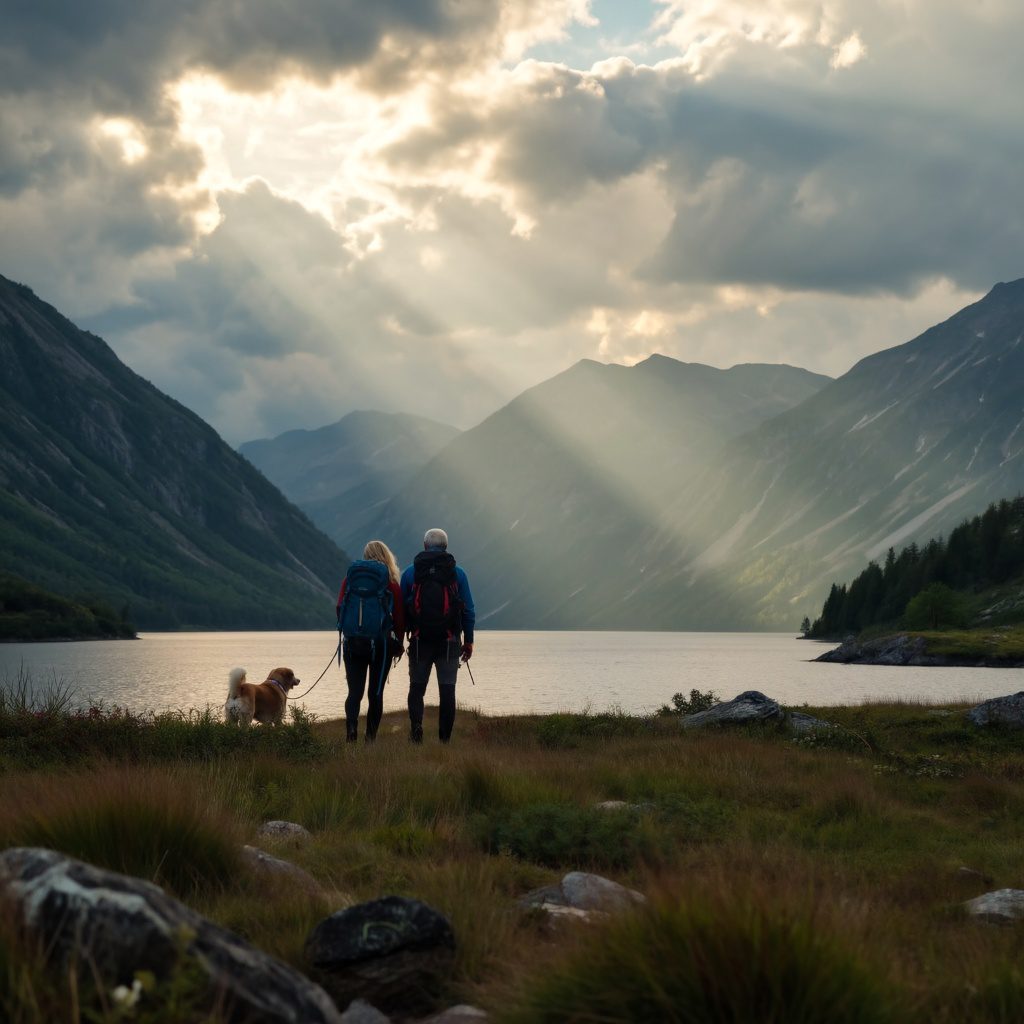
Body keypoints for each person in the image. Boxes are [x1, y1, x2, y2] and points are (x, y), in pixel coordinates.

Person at [401, 527, 475, 744]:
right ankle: (444, 741)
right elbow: (468, 610)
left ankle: (416, 733)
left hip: (419, 641)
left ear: (424, 546)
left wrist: (402, 635)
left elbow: (401, 609)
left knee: (417, 688)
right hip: (449, 640)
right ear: (446, 547)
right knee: (447, 690)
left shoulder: (410, 573)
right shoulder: (458, 574)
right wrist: (468, 641)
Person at [336, 540, 405, 742]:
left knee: (354, 692)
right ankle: (370, 739)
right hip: (381, 645)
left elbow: (340, 608)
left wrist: (349, 630)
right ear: (387, 557)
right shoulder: (390, 583)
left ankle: (351, 733)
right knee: (375, 692)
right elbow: (400, 618)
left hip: (352, 643)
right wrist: (398, 643)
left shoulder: (349, 580)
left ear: (365, 556)